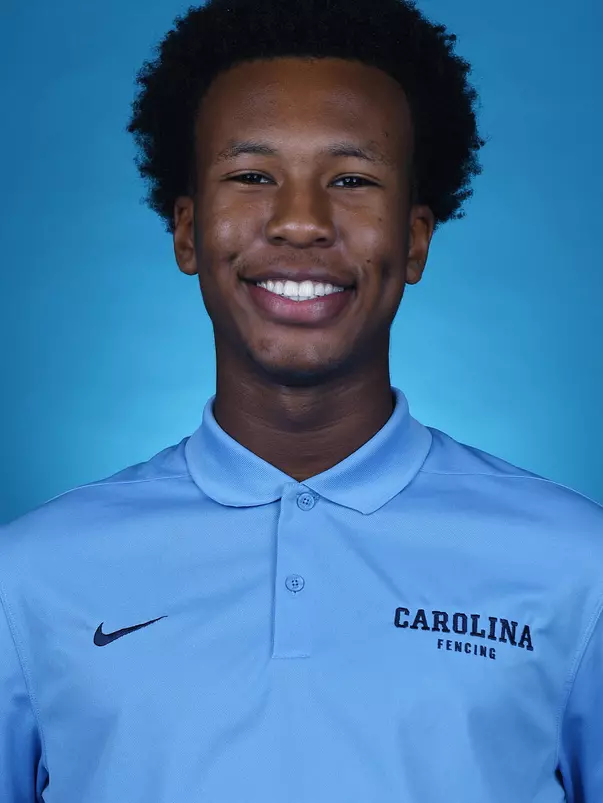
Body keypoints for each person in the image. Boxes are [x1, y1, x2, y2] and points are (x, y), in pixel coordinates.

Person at [1, 0, 602, 799]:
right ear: (186, 231)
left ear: (415, 237)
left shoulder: (578, 566)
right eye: (252, 176)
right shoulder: (28, 577)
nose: (299, 222)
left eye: (350, 180)